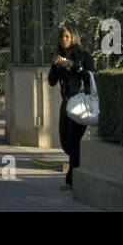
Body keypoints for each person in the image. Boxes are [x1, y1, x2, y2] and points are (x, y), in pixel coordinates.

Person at [49, 25, 95, 189]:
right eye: (61, 37)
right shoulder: (59, 57)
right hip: (65, 102)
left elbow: (90, 75)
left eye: (67, 37)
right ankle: (81, 168)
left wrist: (72, 65)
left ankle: (72, 179)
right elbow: (51, 81)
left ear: (74, 37)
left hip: (80, 102)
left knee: (74, 141)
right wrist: (55, 66)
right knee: (65, 143)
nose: (64, 40)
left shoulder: (84, 56)